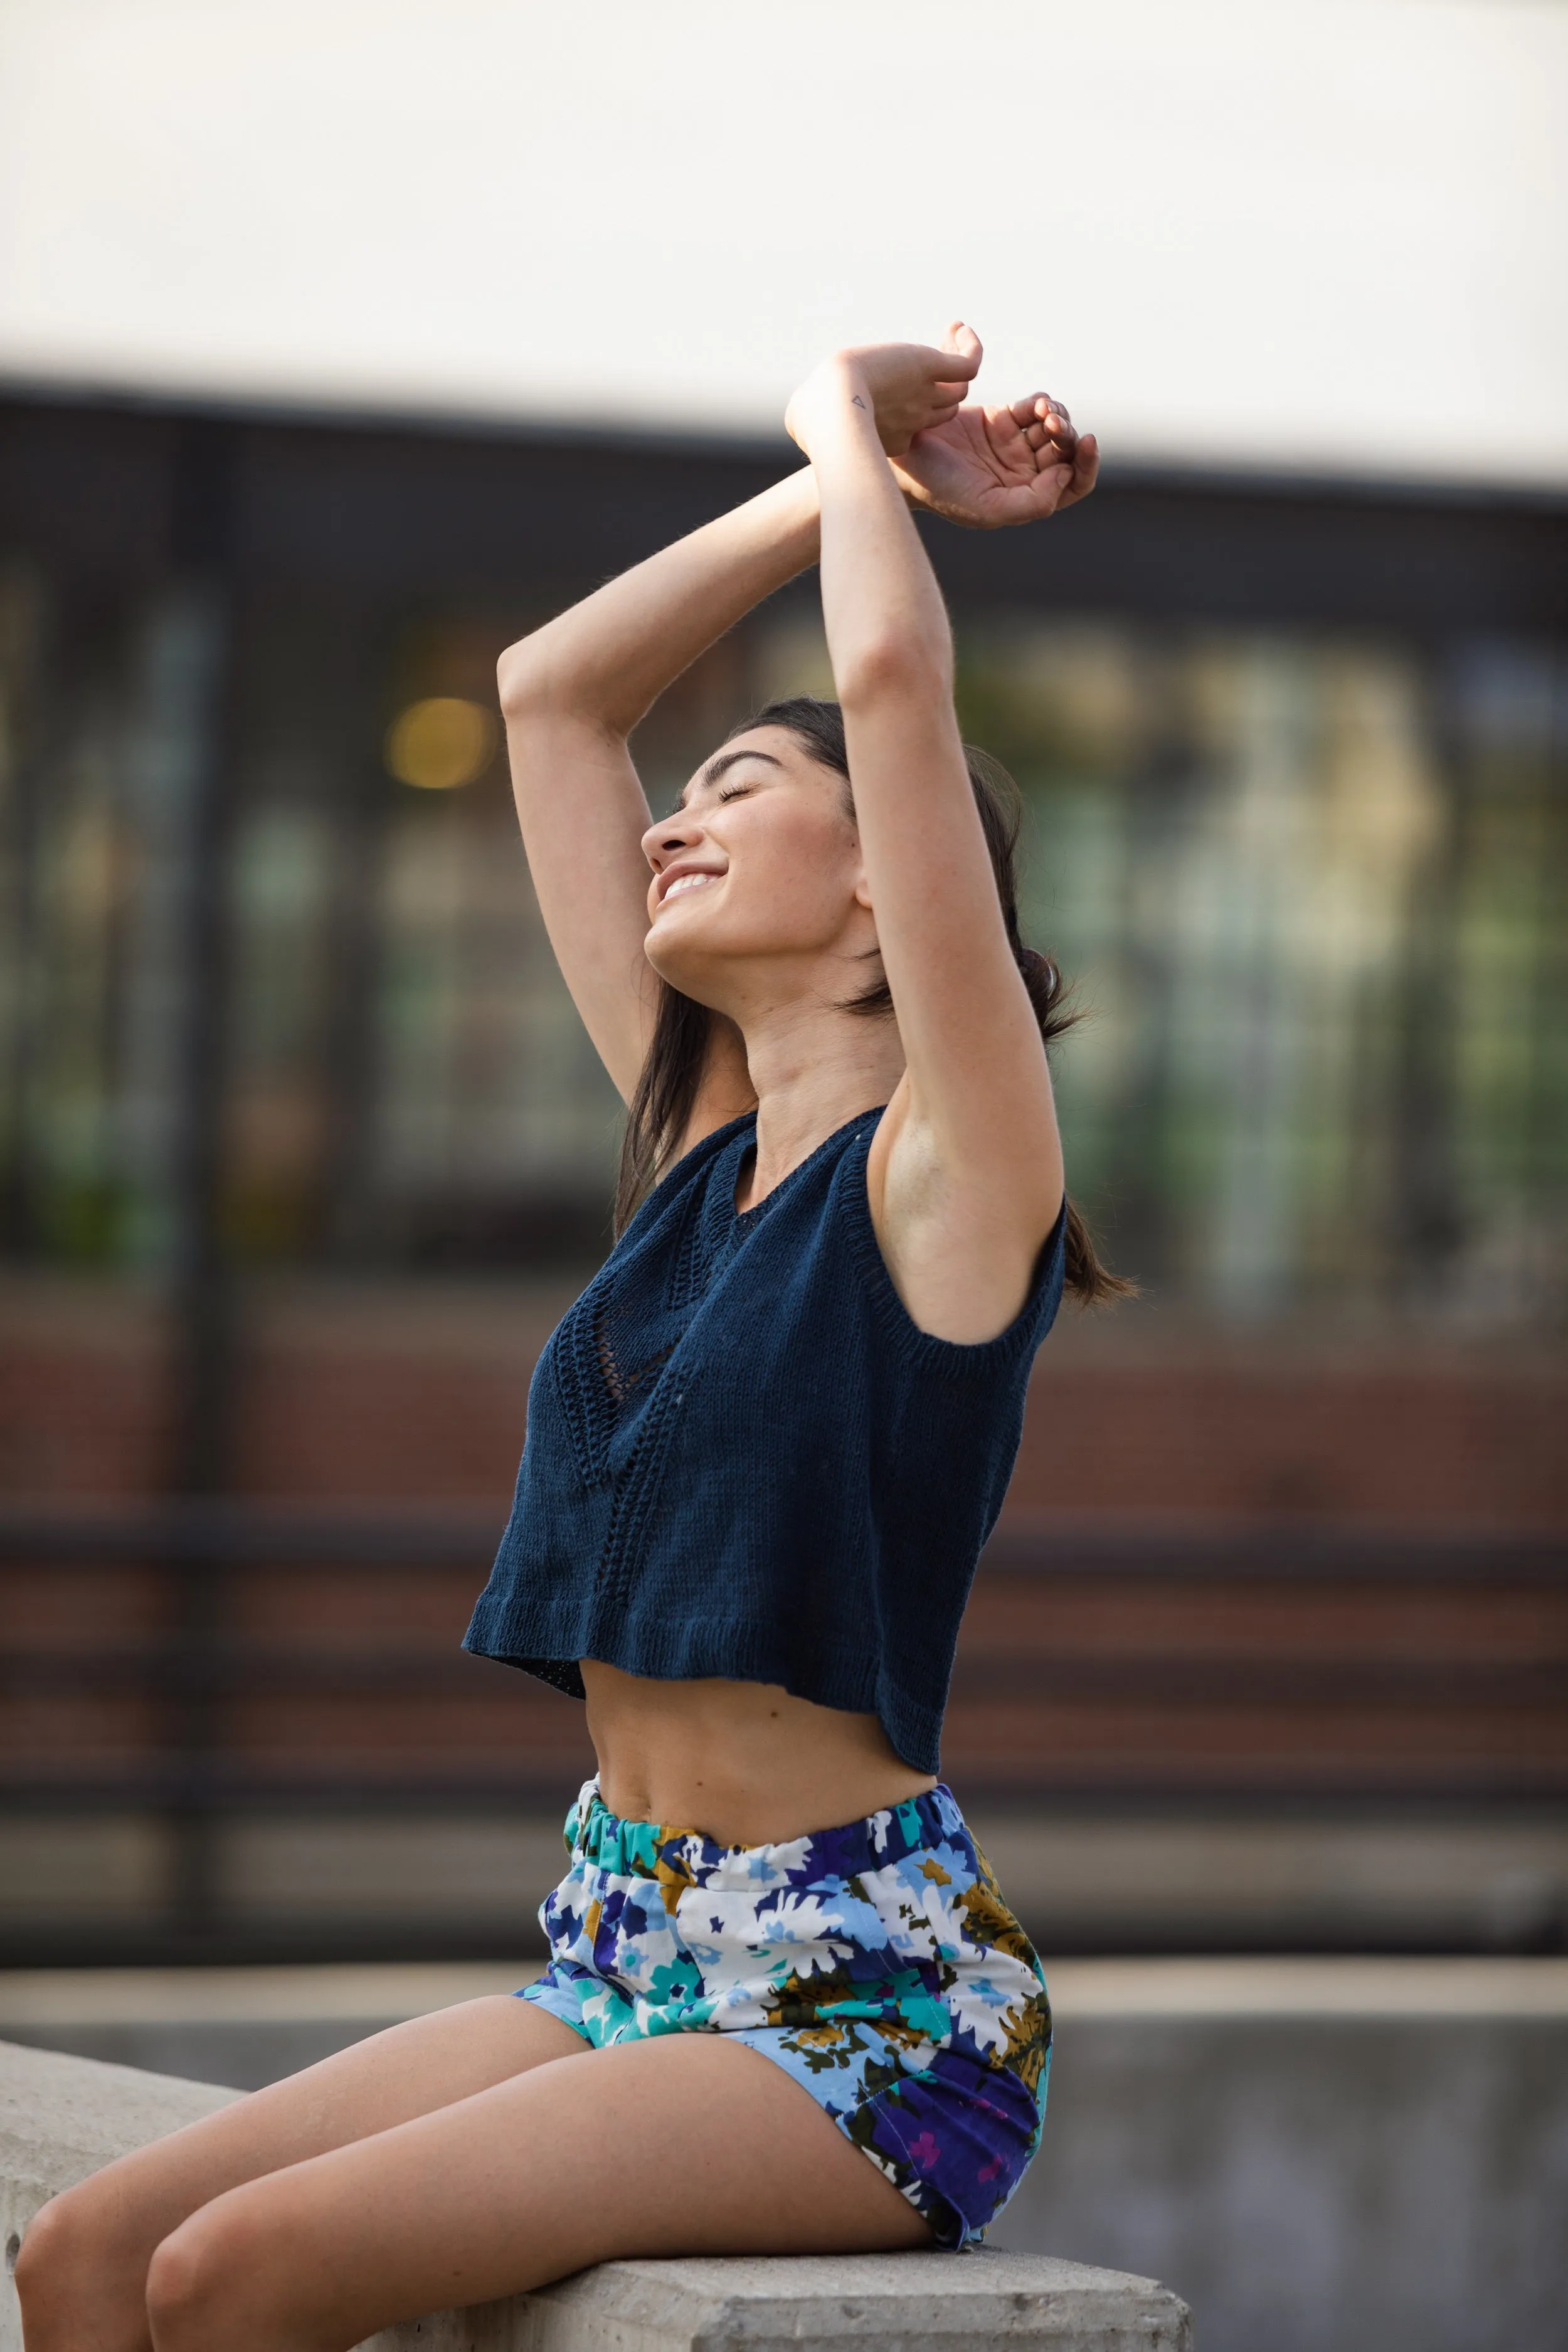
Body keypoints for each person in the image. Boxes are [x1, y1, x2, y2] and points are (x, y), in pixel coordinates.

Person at [16, 326, 1118, 2352]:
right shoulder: (695, 1154)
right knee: (86, 2262)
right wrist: (839, 480)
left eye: (736, 789)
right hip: (623, 1947)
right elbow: (547, 694)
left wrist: (835, 405)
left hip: (856, 2000)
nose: (665, 824)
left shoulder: (953, 1176)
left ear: (882, 883)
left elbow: (889, 680)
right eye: (678, 794)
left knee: (228, 2277)